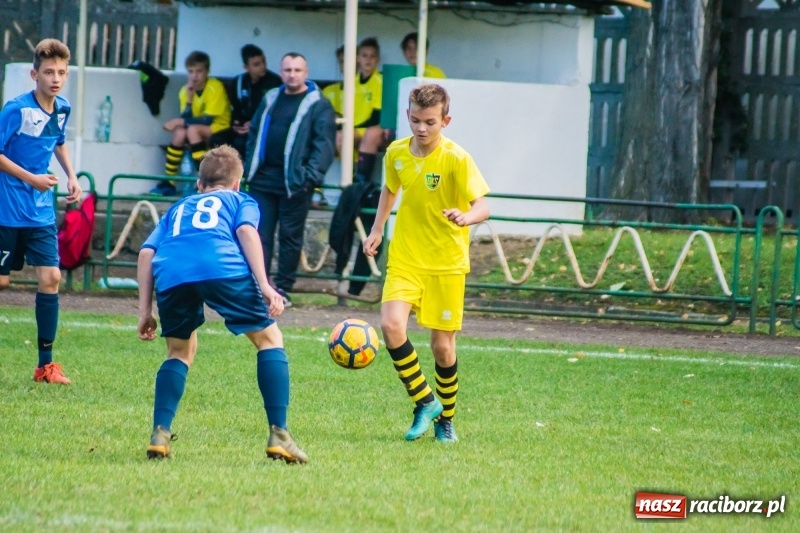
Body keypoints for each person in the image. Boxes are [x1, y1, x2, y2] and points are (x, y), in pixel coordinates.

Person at [137, 145, 308, 463]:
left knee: (179, 351)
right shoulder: (241, 200)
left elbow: (147, 253)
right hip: (221, 265)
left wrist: (145, 311)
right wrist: (265, 286)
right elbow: (245, 231)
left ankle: (160, 433)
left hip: (172, 271)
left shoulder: (179, 208)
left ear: (198, 185)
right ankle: (279, 434)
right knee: (269, 340)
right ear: (236, 184)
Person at [363, 84, 490, 443]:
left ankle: (445, 420)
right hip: (405, 257)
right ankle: (424, 401)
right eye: (416, 120)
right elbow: (390, 190)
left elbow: (483, 205)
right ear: (407, 116)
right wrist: (376, 230)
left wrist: (467, 217)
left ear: (445, 121)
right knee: (390, 325)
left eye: (430, 122)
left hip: (446, 263)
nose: (421, 128)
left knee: (442, 348)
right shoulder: (396, 153)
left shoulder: (456, 158)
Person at [0, 38, 82, 385]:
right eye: (48, 72)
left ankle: (45, 366)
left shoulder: (62, 108)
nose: (55, 78)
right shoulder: (16, 109)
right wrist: (31, 178)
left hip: (40, 213)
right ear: (34, 74)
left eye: (61, 72)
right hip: (6, 210)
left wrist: (71, 175)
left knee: (51, 278)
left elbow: (57, 141)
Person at [244, 52, 336, 306]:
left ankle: (282, 289)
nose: (292, 75)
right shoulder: (270, 98)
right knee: (258, 235)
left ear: (306, 73)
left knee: (290, 237)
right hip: (262, 180)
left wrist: (310, 178)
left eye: (297, 70)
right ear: (280, 72)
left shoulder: (319, 104)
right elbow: (253, 133)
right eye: (287, 70)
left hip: (295, 184)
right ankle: (258, 286)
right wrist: (248, 164)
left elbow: (324, 145)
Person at [155, 51, 231, 195]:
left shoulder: (215, 87)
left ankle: (203, 180)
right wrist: (189, 100)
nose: (194, 75)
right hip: (196, 127)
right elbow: (186, 117)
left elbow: (208, 120)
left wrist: (180, 121)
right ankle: (169, 182)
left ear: (207, 72)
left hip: (220, 127)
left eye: (199, 71)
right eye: (191, 71)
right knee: (179, 132)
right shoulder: (185, 90)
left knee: (191, 130)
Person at [228, 44, 282, 159]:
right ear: (246, 67)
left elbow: (275, 111)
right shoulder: (238, 82)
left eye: (263, 62)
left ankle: (246, 174)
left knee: (243, 143)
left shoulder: (275, 82)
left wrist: (253, 123)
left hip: (264, 125)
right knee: (219, 139)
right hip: (243, 126)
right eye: (256, 64)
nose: (263, 66)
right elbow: (235, 107)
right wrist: (236, 124)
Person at [351, 37, 389, 183]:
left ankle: (361, 182)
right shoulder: (351, 80)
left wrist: (353, 127)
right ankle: (348, 180)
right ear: (358, 58)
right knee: (340, 137)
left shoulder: (379, 81)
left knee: (371, 133)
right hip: (355, 129)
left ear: (377, 59)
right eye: (364, 55)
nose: (368, 60)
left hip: (370, 129)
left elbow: (376, 116)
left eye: (372, 56)